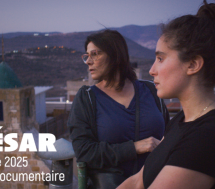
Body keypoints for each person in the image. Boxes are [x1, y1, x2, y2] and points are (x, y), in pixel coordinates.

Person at [118, 1, 215, 189]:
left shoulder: (209, 138)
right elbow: (137, 181)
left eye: (160, 59)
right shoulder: (183, 120)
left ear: (193, 64)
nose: (152, 70)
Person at [68, 29, 169, 188]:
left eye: (95, 54)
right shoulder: (87, 98)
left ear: (115, 54)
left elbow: (168, 136)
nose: (88, 61)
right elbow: (84, 152)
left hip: (157, 182)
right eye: (87, 56)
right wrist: (134, 147)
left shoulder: (151, 90)